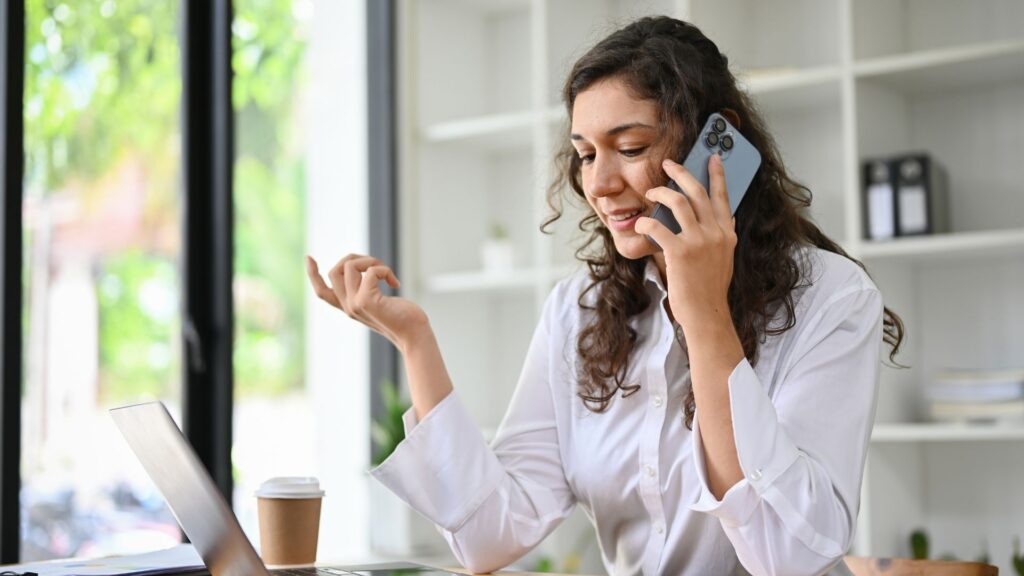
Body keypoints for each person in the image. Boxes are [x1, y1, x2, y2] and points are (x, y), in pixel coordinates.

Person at [306, 15, 904, 576]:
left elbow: (788, 554)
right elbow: (490, 533)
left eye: (632, 147)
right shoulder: (580, 310)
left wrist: (702, 311)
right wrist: (413, 340)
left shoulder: (833, 297)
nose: (598, 182)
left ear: (717, 149)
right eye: (587, 153)